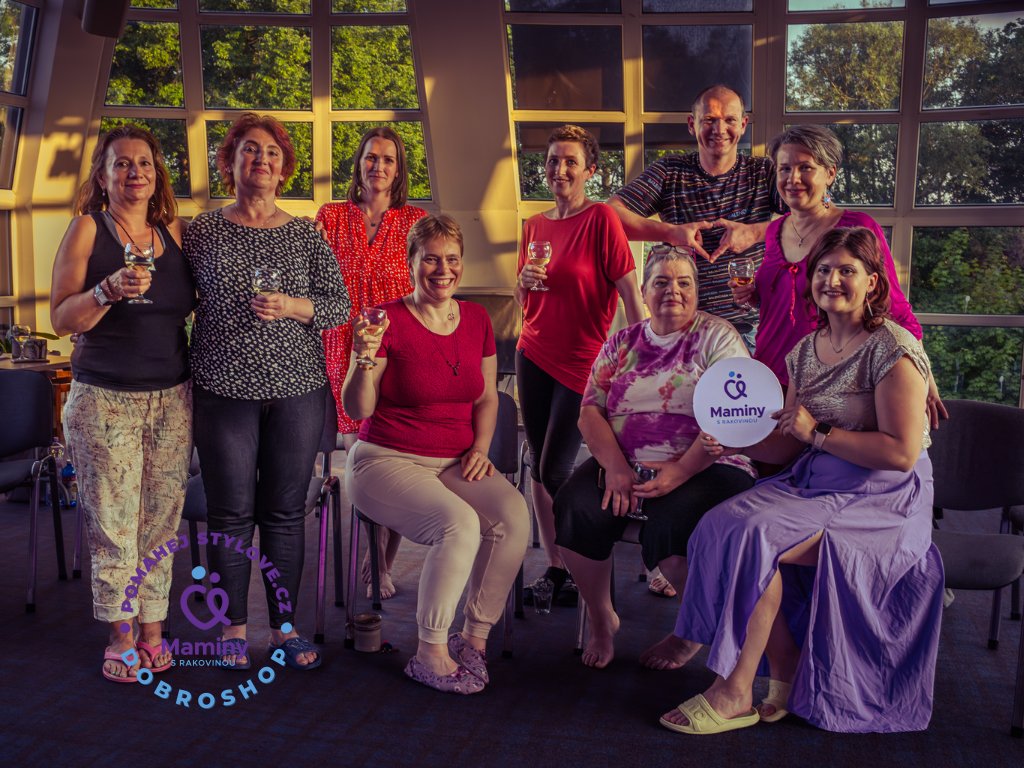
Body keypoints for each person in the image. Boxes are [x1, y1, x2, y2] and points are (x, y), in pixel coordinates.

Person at [659, 226, 943, 735]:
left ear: (873, 283)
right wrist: (737, 443)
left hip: (881, 493)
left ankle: (734, 691)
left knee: (753, 535)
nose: (832, 280)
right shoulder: (806, 351)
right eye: (823, 270)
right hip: (814, 478)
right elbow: (789, 442)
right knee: (718, 524)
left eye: (847, 270)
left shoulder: (892, 349)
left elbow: (900, 454)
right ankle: (786, 669)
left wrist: (818, 433)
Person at [185, 113, 349, 671]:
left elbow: (338, 305)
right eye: (250, 150)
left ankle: (285, 628)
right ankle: (232, 629)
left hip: (298, 391)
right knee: (229, 513)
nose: (262, 160)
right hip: (223, 390)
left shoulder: (304, 233)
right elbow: (175, 299)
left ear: (284, 170)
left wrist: (293, 306)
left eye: (272, 153)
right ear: (230, 162)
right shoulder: (201, 232)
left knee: (283, 512)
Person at [345, 214, 530, 695]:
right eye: (430, 259)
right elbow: (358, 408)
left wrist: (481, 447)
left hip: (454, 461)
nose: (443, 269)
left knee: (513, 515)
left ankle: (473, 638)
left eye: (451, 259)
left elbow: (486, 397)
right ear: (410, 262)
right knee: (459, 525)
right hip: (385, 459)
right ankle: (429, 652)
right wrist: (362, 357)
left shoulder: (477, 320)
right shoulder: (383, 320)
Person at [553, 246, 756, 669]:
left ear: (696, 291)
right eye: (661, 282)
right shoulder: (622, 342)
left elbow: (732, 417)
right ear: (644, 293)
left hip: (709, 464)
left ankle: (691, 631)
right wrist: (615, 467)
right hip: (626, 461)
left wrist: (680, 471)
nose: (673, 291)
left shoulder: (718, 337)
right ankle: (602, 619)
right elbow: (589, 411)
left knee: (672, 523)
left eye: (684, 282)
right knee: (575, 507)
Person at [51, 124, 193, 683]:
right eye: (122, 163)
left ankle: (155, 629)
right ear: (103, 175)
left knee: (160, 523)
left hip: (172, 398)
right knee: (113, 524)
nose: (135, 172)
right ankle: (122, 634)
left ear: (157, 175)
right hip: (104, 399)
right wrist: (106, 291)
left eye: (144, 163)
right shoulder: (87, 228)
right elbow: (60, 318)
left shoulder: (174, 231)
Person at [731, 124, 946, 426]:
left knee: (821, 450)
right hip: (768, 371)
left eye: (805, 167)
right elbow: (787, 300)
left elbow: (894, 306)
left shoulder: (856, 227)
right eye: (784, 168)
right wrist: (755, 296)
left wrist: (924, 375)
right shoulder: (774, 230)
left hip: (827, 379)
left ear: (830, 173)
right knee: (761, 454)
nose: (793, 178)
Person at [516, 124, 644, 606]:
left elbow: (631, 296)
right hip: (532, 354)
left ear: (590, 170)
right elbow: (524, 301)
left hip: (583, 364)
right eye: (553, 160)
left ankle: (587, 559)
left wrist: (641, 361)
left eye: (571, 161)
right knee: (537, 464)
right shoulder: (533, 225)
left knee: (554, 470)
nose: (559, 169)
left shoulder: (601, 220)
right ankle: (557, 569)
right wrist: (522, 283)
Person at [317, 126, 427, 601]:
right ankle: (368, 554)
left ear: (399, 169)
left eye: (387, 159)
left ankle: (382, 560)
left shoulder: (415, 221)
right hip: (339, 348)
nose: (378, 166)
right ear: (358, 163)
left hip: (394, 349)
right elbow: (311, 277)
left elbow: (426, 288)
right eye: (370, 157)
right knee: (359, 459)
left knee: (393, 457)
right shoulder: (331, 216)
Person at [608, 84, 786, 336]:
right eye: (709, 119)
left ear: (743, 124)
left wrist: (756, 233)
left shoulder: (763, 172)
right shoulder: (670, 170)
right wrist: (669, 233)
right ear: (692, 124)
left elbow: (816, 216)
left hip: (751, 327)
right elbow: (609, 216)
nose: (719, 129)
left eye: (730, 120)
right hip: (682, 327)